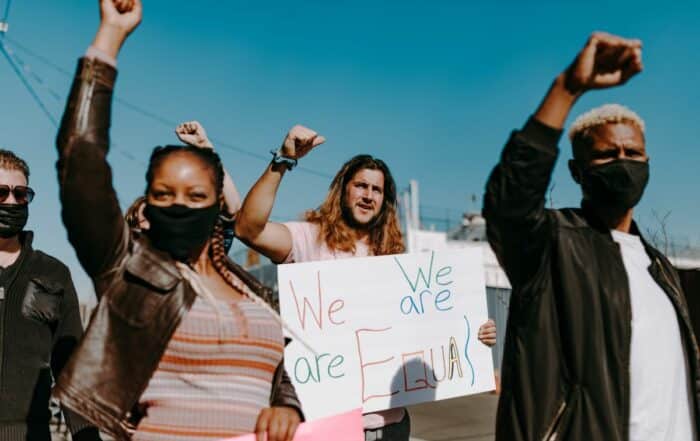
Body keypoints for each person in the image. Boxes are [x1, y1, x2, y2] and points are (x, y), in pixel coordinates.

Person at [52, 2, 302, 441]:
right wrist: (111, 36)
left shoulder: (256, 293)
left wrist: (286, 408)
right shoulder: (129, 272)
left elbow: (277, 375)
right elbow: (81, 162)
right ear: (147, 204)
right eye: (164, 195)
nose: (180, 205)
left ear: (217, 203)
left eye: (196, 195)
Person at [483, 32, 699, 440]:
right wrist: (567, 88)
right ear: (577, 171)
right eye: (606, 154)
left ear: (648, 162)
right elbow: (508, 204)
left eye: (633, 154)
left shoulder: (663, 272)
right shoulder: (552, 245)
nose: (622, 162)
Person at [235, 126, 497, 441]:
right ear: (343, 190)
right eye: (361, 185)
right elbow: (248, 229)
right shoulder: (307, 238)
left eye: (377, 190)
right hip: (327, 425)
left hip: (391, 425)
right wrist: (283, 160)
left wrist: (473, 336)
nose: (368, 195)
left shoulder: (393, 260)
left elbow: (425, 333)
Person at [0, 149, 101, 441]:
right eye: (1, 193)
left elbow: (70, 367)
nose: (11, 202)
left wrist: (87, 437)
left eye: (21, 194)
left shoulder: (51, 275)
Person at [125, 121, 240, 253]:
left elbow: (233, 208)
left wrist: (205, 148)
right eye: (146, 218)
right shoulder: (130, 261)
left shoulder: (202, 253)